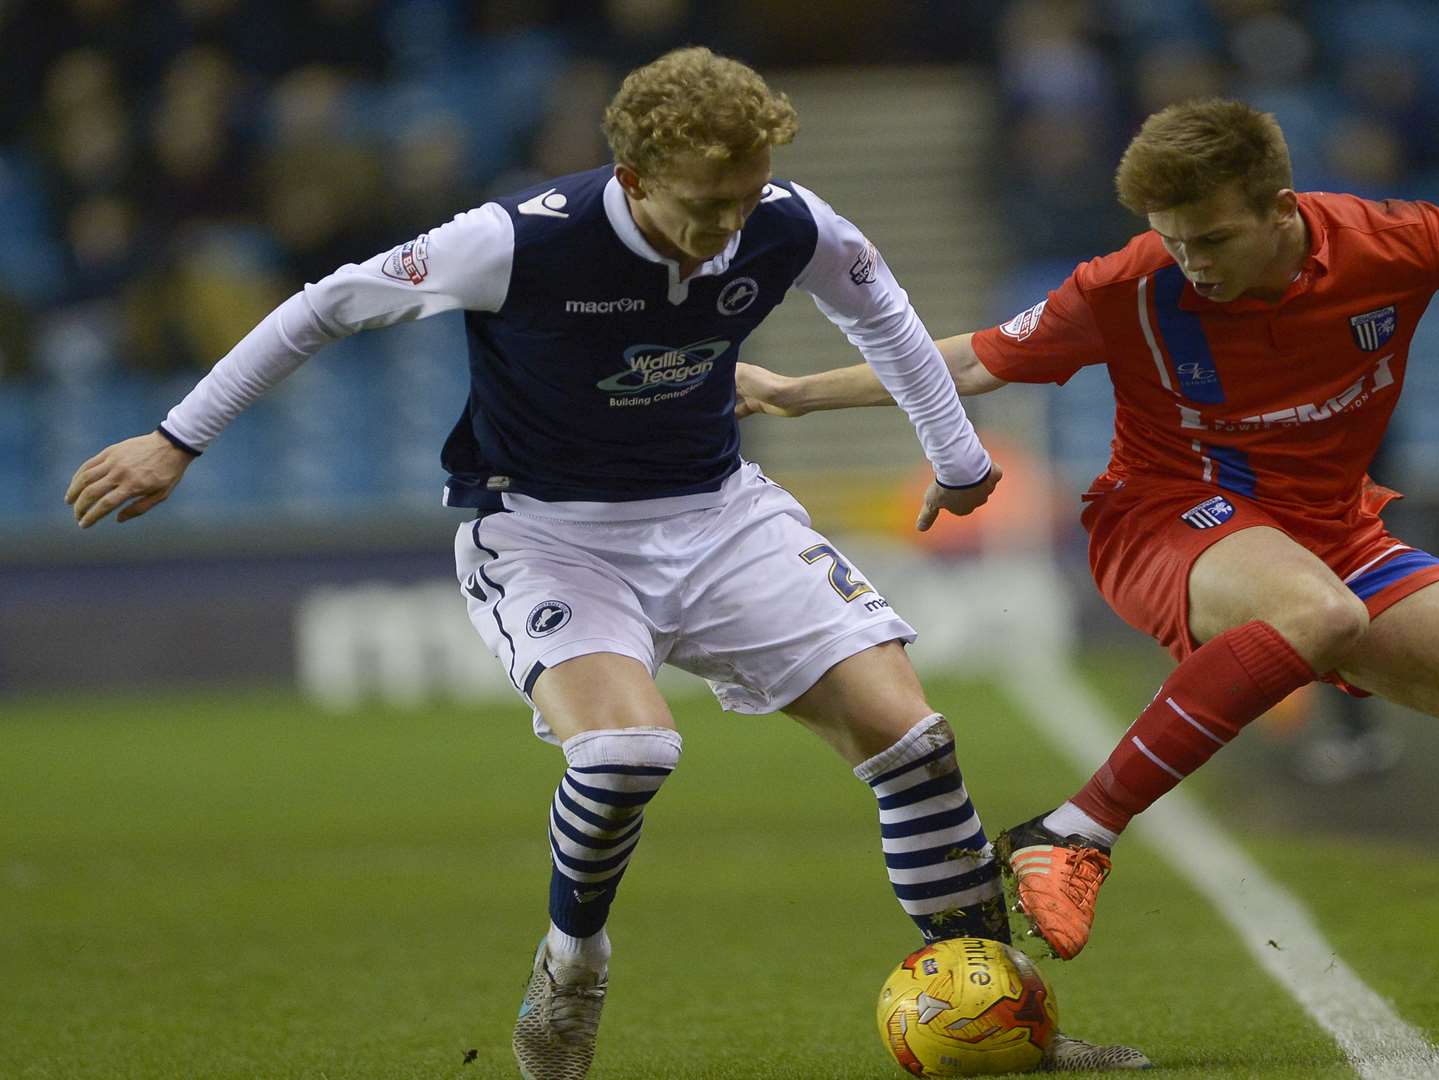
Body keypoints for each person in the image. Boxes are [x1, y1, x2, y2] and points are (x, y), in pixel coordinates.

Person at [63, 47, 1147, 1079]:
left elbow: (888, 320)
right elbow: (326, 304)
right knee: (627, 752)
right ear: (633, 176)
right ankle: (572, 969)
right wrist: (175, 439)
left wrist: (956, 455)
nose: (729, 232)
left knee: (914, 742)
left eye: (745, 201)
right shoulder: (519, 240)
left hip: (720, 518)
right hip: (546, 531)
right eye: (704, 207)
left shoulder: (784, 219)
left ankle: (1015, 1028)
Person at [732, 98, 1439, 1054]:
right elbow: (973, 359)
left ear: (1282, 208)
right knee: (1314, 613)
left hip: (1334, 527)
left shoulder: (1402, 241)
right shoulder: (1131, 282)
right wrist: (790, 394)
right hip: (1168, 523)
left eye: (1212, 239)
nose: (1189, 261)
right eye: (1173, 237)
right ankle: (1072, 832)